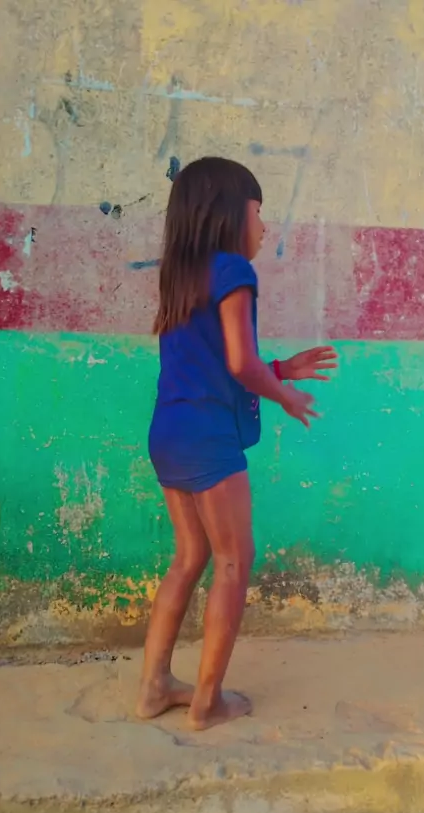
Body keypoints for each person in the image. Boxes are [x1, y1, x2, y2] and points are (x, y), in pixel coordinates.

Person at [136, 157, 337, 731]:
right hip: (208, 438)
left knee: (189, 557)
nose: (265, 226)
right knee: (233, 561)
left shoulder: (182, 273)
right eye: (259, 211)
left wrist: (283, 369)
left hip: (169, 432)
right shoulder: (233, 271)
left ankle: (154, 687)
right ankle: (208, 701)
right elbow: (239, 364)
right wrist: (285, 395)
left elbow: (211, 364)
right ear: (230, 213)